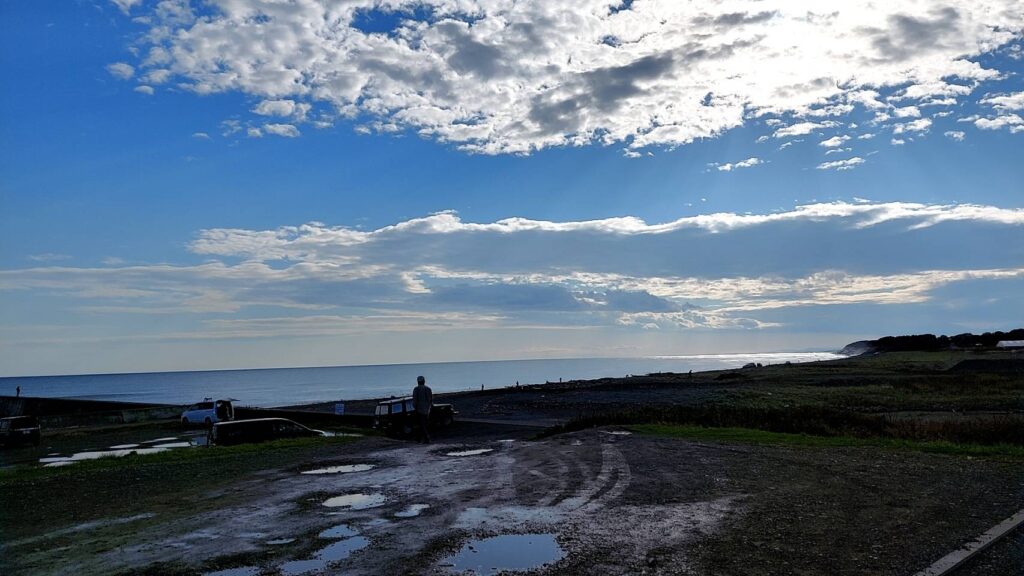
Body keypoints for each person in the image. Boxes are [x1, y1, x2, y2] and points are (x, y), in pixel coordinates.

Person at [412, 375, 433, 443]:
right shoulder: (428, 389)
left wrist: (415, 408)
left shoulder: (416, 389)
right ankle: (420, 439)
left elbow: (415, 400)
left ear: (418, 382)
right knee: (425, 424)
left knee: (421, 425)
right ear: (424, 381)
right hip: (427, 409)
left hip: (419, 409)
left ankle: (426, 439)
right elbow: (430, 400)